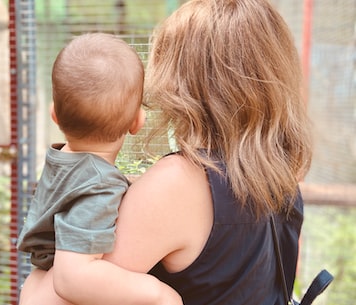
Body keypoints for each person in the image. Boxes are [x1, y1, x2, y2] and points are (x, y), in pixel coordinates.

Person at [20, 1, 313, 304]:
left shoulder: (179, 182)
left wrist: (34, 280)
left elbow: (49, 298)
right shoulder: (281, 176)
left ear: (181, 79)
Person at [16, 32, 182, 305]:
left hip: (37, 282)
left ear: (54, 114)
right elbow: (72, 277)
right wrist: (159, 294)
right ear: (137, 122)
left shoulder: (61, 161)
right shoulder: (99, 186)